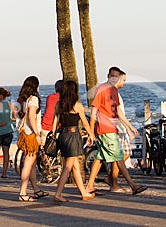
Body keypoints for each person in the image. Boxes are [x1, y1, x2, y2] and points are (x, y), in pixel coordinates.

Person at [85, 67, 148, 196]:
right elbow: (94, 111)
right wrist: (91, 131)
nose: (114, 79)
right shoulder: (101, 90)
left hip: (112, 129)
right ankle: (133, 185)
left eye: (117, 77)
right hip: (105, 129)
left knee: (100, 157)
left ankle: (89, 186)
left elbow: (119, 112)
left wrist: (130, 127)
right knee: (119, 156)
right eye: (112, 76)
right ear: (108, 76)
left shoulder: (114, 90)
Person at [52, 80, 95, 202]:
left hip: (63, 135)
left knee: (75, 165)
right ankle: (58, 193)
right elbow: (85, 123)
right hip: (73, 135)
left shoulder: (59, 104)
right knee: (68, 166)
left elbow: (54, 123)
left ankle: (83, 192)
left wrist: (53, 136)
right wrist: (91, 135)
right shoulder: (77, 105)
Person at [16, 75, 49, 202]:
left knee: (31, 164)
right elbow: (31, 117)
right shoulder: (34, 99)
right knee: (28, 164)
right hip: (31, 135)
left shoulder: (22, 100)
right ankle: (23, 192)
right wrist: (37, 134)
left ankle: (36, 189)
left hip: (24, 134)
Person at [108, 70, 135, 191]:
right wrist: (129, 127)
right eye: (123, 80)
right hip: (118, 129)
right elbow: (117, 113)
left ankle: (112, 178)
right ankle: (113, 183)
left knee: (126, 154)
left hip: (121, 128)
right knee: (119, 157)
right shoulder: (112, 93)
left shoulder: (115, 93)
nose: (124, 82)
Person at [41, 79, 63, 145]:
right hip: (54, 127)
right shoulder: (63, 99)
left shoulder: (49, 97)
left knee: (45, 149)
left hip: (44, 125)